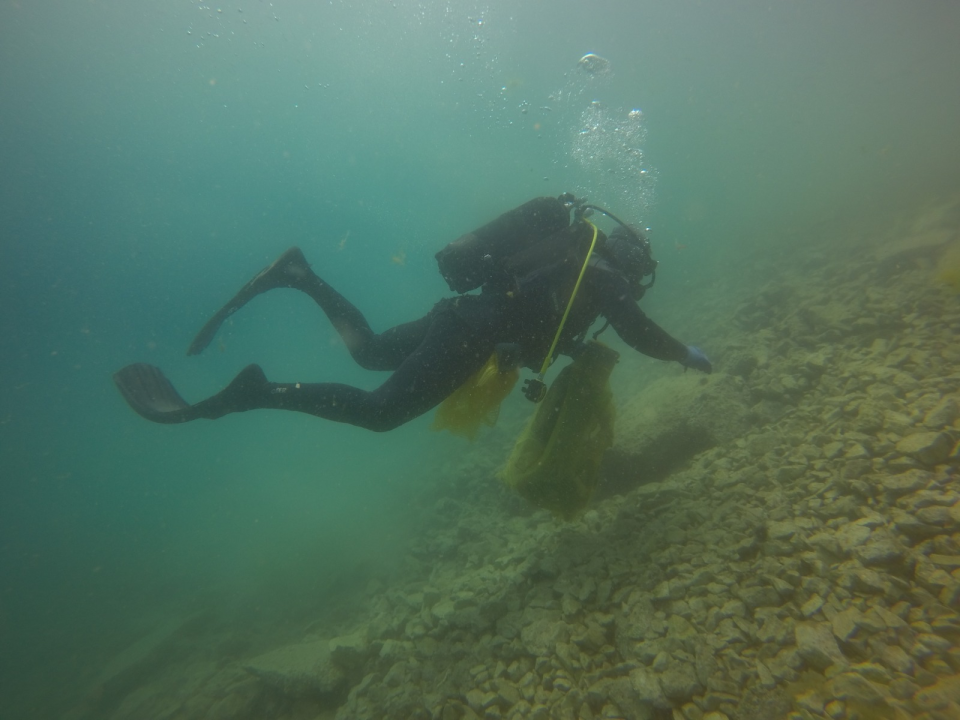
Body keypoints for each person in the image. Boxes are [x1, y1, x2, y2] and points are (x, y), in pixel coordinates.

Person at [113, 196, 712, 432]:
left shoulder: (571, 270)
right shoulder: (602, 278)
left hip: (462, 316)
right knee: (381, 413)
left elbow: (539, 317)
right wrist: (681, 352)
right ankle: (258, 391)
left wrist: (568, 348)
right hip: (475, 333)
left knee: (370, 352)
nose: (635, 285)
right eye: (640, 274)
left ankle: (300, 275)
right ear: (632, 261)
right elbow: (636, 329)